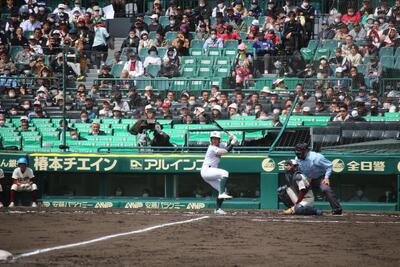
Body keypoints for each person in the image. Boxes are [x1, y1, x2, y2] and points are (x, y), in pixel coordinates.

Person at [294, 143, 342, 215]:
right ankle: (296, 207)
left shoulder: (317, 158)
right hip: (307, 178)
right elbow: (300, 170)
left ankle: (337, 209)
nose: (298, 154)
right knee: (298, 185)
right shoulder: (297, 159)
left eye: (300, 151)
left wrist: (326, 178)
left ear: (306, 151)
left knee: (325, 189)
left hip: (319, 177)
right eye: (297, 152)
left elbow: (329, 166)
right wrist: (305, 178)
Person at [201, 131, 238, 215]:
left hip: (211, 172)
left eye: (216, 139)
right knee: (225, 173)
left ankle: (218, 209)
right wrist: (232, 143)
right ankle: (221, 193)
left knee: (223, 189)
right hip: (207, 171)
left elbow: (227, 145)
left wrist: (232, 138)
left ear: (219, 140)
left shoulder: (220, 145)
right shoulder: (211, 148)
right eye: (213, 139)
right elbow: (225, 151)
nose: (214, 140)